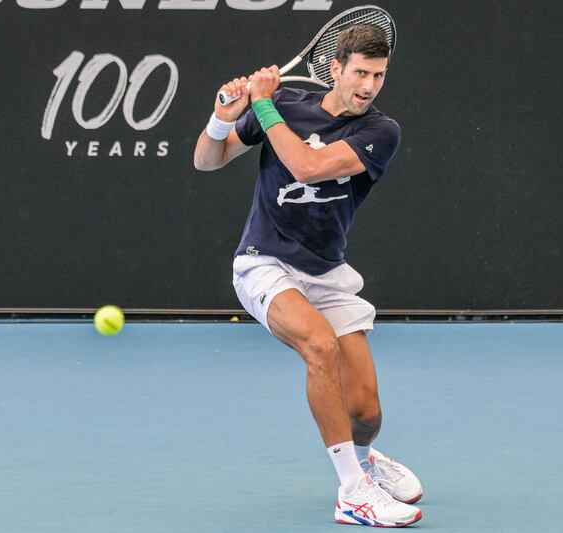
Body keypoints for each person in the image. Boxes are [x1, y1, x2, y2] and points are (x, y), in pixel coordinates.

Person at [194, 25, 423, 528]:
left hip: (326, 270)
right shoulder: (290, 104)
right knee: (319, 346)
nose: (368, 85)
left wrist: (263, 104)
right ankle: (352, 492)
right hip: (263, 262)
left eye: (378, 75)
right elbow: (206, 161)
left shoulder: (381, 132)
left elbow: (307, 167)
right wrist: (221, 118)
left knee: (367, 415)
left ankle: (367, 461)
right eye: (360, 72)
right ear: (334, 69)